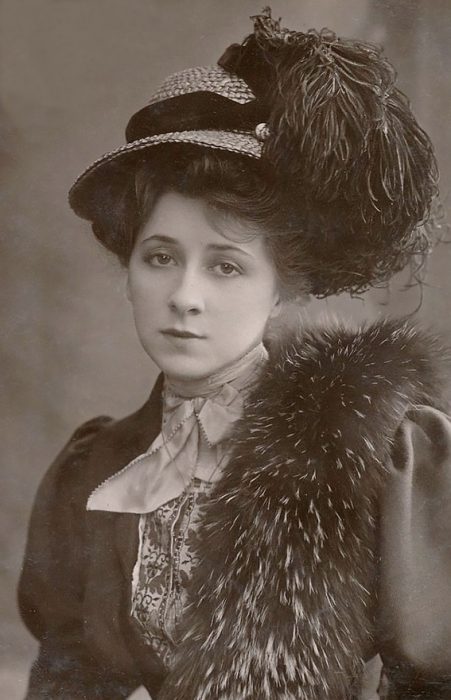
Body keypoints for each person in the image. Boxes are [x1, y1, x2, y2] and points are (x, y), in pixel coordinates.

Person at [18, 8, 451, 700]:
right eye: (159, 258)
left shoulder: (380, 452)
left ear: (286, 285)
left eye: (225, 267)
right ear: (128, 269)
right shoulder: (92, 473)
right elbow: (68, 677)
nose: (184, 296)